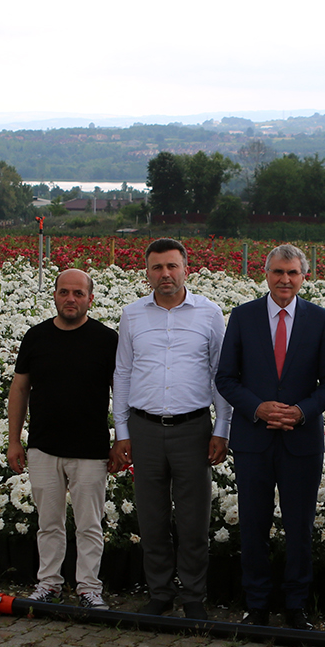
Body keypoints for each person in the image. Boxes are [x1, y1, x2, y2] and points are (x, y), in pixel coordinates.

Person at [216, 244, 325, 630]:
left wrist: (301, 411)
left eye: (293, 273)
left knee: (299, 525)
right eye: (278, 272)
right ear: (266, 274)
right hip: (254, 438)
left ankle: (296, 606)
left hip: (300, 440)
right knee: (253, 523)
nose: (285, 280)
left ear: (304, 277)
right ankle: (256, 605)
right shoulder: (243, 316)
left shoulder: (319, 319)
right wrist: (259, 408)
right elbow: (225, 378)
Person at [110, 238, 231, 619]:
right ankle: (159, 592)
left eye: (172, 266)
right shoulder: (132, 315)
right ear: (146, 272)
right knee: (152, 516)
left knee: (194, 518)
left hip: (193, 429)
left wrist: (222, 427)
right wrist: (122, 431)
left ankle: (194, 595)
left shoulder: (209, 314)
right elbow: (123, 372)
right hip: (144, 430)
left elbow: (220, 374)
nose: (165, 274)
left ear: (186, 269)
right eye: (157, 267)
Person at [7, 268, 117, 608]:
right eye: (64, 292)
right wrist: (14, 440)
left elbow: (122, 393)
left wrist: (122, 441)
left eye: (78, 293)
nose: (71, 299)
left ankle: (88, 588)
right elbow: (20, 388)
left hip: (90, 449)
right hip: (43, 447)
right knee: (48, 523)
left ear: (90, 298)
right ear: (54, 295)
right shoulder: (36, 337)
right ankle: (49, 584)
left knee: (89, 525)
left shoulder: (106, 339)